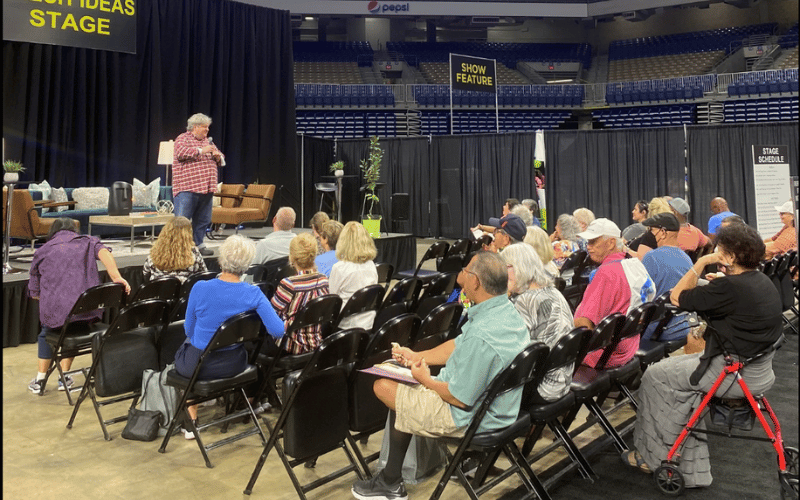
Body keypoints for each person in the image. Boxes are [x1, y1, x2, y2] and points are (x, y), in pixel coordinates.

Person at [351, 251, 528, 500]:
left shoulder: (483, 337)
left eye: (465, 271)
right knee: (401, 381)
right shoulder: (504, 312)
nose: (460, 276)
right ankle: (391, 477)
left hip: (470, 417)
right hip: (497, 407)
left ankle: (390, 481)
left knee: (384, 387)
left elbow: (459, 399)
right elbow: (458, 344)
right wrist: (415, 356)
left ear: (476, 282)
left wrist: (426, 380)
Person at [624, 223, 782, 489]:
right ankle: (686, 459)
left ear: (730, 256)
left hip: (730, 373)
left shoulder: (728, 288)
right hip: (755, 369)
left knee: (654, 375)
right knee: (674, 368)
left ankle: (652, 456)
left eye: (721, 249)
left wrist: (703, 262)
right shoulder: (761, 281)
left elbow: (677, 296)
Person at [175, 235, 285, 438]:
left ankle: (191, 420)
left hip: (200, 365)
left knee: (188, 347)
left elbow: (189, 330)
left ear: (220, 260)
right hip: (235, 363)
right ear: (247, 265)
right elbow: (278, 331)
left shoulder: (200, 288)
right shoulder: (254, 294)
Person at [27, 218, 131, 393]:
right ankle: (64, 376)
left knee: (46, 333)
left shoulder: (43, 251)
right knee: (76, 325)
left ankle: (40, 380)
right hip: (86, 312)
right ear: (74, 230)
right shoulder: (88, 242)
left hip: (56, 316)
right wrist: (116, 277)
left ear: (52, 232)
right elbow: (104, 251)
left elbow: (35, 293)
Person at [574, 218, 655, 368]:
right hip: (629, 346)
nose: (588, 247)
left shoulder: (605, 273)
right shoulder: (635, 264)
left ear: (611, 242)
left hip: (606, 354)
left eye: (593, 242)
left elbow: (582, 324)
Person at [501, 243, 574, 402]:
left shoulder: (525, 300)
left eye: (504, 267)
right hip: (563, 380)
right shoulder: (553, 291)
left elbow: (508, 350)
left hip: (542, 386)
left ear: (518, 267)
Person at [172, 113, 225, 256]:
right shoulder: (183, 138)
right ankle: (179, 248)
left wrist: (217, 156)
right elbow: (181, 153)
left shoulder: (209, 142)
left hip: (207, 188)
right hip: (187, 188)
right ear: (195, 127)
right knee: (182, 221)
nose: (207, 130)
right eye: (204, 127)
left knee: (203, 219)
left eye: (208, 128)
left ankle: (199, 244)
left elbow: (222, 159)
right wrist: (202, 151)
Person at [268, 233, 330, 355]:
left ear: (292, 257)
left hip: (289, 345)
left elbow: (271, 315)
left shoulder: (289, 284)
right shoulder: (324, 280)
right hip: (315, 342)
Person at [639, 213, 693, 341]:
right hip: (684, 326)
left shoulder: (651, 257)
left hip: (658, 330)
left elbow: (641, 298)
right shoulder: (687, 259)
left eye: (652, 230)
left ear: (663, 232)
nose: (650, 234)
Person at [329, 221, 379, 330]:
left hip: (345, 325)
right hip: (368, 322)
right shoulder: (371, 264)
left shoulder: (339, 267)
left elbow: (333, 299)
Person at [143, 216, 208, 283]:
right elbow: (204, 274)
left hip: (158, 292)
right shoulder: (194, 252)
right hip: (186, 292)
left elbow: (145, 274)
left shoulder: (154, 252)